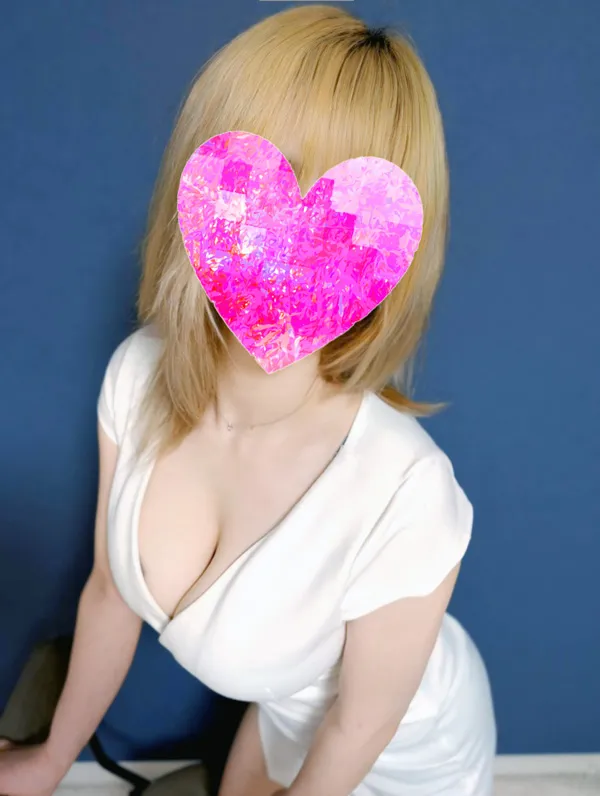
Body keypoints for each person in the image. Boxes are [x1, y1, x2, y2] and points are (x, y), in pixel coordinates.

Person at [0, 5, 496, 795]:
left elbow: (357, 726)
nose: (288, 254)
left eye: (334, 227)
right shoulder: (135, 378)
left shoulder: (407, 494)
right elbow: (109, 591)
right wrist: (50, 758)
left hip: (404, 755)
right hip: (283, 718)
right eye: (266, 190)